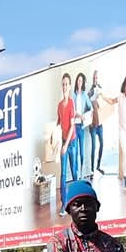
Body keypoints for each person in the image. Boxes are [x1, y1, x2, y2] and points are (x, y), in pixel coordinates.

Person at [56, 73, 80, 216]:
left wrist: (65, 145)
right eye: (63, 84)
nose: (65, 86)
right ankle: (64, 204)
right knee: (63, 174)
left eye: (66, 84)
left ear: (70, 86)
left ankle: (77, 200)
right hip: (64, 142)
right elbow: (59, 121)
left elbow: (72, 126)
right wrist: (56, 138)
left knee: (75, 172)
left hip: (71, 142)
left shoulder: (71, 102)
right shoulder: (59, 105)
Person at [88, 70, 110, 175]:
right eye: (94, 78)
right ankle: (92, 170)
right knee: (93, 147)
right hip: (93, 126)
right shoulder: (90, 92)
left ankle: (98, 166)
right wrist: (93, 99)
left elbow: (104, 104)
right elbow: (87, 107)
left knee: (102, 145)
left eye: (96, 77)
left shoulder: (101, 90)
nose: (95, 79)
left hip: (100, 124)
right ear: (92, 79)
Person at [73, 72, 93, 178]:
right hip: (74, 126)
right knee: (75, 152)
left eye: (81, 81)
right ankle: (76, 175)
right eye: (78, 80)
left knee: (82, 152)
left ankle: (81, 174)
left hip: (81, 126)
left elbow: (91, 108)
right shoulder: (73, 95)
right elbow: (72, 111)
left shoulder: (85, 95)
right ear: (76, 82)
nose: (79, 82)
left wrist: (86, 115)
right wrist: (79, 115)